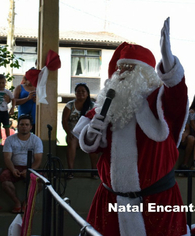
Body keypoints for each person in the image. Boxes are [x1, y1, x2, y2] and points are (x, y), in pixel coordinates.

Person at [73, 18, 188, 235]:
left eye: (130, 69)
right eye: (120, 69)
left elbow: (177, 96)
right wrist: (91, 135)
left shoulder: (158, 102)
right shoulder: (106, 103)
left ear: (146, 74)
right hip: (110, 202)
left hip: (156, 203)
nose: (122, 73)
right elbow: (89, 145)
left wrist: (169, 63)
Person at [0, 114, 43, 213]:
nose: (24, 127)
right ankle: (17, 203)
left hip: (30, 167)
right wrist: (12, 169)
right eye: (22, 124)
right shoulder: (10, 139)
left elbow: (38, 160)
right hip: (14, 167)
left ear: (31, 127)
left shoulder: (36, 140)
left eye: (27, 125)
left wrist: (28, 170)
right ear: (17, 126)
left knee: (40, 181)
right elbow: (7, 158)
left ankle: (26, 203)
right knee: (4, 179)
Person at [61, 83, 98, 179]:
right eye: (78, 91)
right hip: (73, 133)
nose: (80, 93)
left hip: (87, 133)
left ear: (87, 93)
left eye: (83, 91)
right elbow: (64, 120)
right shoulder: (70, 105)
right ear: (75, 93)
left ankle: (94, 172)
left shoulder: (92, 106)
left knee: (93, 144)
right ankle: (70, 172)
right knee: (72, 142)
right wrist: (68, 133)